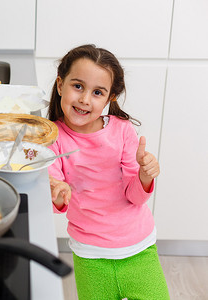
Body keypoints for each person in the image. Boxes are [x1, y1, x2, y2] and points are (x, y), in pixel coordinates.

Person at [47, 44, 170, 299]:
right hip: (90, 255)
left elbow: (135, 196)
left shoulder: (122, 131)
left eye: (97, 92)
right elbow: (57, 198)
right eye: (77, 86)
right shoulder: (53, 138)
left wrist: (145, 176)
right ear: (61, 85)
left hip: (139, 249)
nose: (84, 99)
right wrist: (57, 192)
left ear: (110, 97)